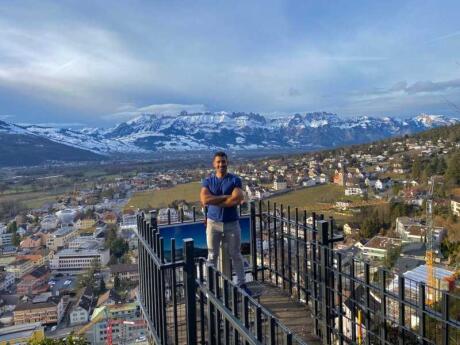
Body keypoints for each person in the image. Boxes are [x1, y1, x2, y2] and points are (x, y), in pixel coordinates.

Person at [200, 151, 247, 288]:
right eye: (218, 162)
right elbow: (204, 199)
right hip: (213, 224)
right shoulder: (208, 181)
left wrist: (214, 200)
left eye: (223, 162)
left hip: (231, 223)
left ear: (227, 163)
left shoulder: (235, 180)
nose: (221, 164)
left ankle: (242, 283)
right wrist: (226, 197)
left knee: (236, 254)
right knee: (212, 255)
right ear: (214, 164)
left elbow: (238, 199)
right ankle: (211, 286)